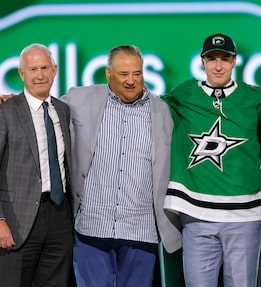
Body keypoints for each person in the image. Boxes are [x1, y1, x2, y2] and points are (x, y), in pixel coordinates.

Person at [60, 45, 181, 287]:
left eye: (137, 74)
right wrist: (10, 101)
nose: (131, 81)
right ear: (108, 74)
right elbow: (44, 113)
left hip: (141, 229)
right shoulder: (78, 99)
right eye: (123, 74)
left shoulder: (162, 111)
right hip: (92, 227)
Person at [162, 33, 261, 287]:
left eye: (225, 58)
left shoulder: (255, 98)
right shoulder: (183, 94)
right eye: (211, 59)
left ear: (235, 61)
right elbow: (149, 107)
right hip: (197, 215)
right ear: (202, 62)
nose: (218, 65)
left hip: (245, 217)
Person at [0, 43, 74, 286]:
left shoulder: (63, 110)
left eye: (44, 68)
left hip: (60, 218)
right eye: (33, 69)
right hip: (16, 222)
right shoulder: (6, 111)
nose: (40, 75)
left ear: (54, 71)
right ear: (21, 74)